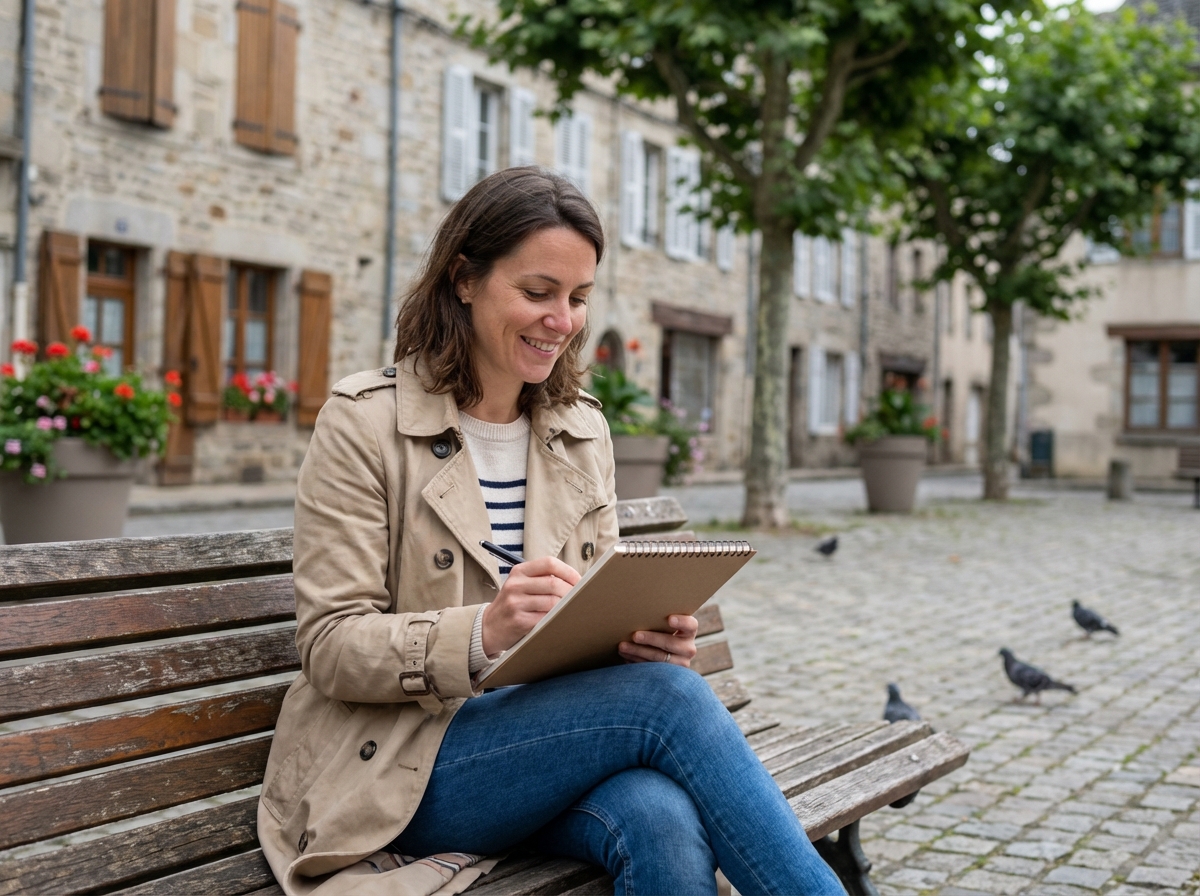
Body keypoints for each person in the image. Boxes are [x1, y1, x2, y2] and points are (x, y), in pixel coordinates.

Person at [257, 167, 846, 896]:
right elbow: (329, 645)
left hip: (538, 752)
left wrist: (639, 640)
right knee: (667, 700)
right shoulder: (365, 422)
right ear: (464, 279)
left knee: (659, 816)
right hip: (398, 768)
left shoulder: (579, 428)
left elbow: (586, 612)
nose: (561, 321)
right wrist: (483, 632)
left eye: (576, 299)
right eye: (537, 293)